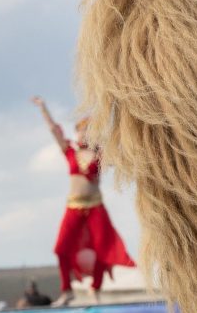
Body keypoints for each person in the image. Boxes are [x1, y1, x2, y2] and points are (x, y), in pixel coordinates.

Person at [33, 95, 134, 300]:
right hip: (74, 206)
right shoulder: (70, 150)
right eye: (81, 130)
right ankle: (67, 290)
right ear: (77, 132)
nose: (84, 133)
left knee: (103, 248)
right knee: (61, 248)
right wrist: (43, 108)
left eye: (88, 130)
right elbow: (54, 130)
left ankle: (95, 288)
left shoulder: (100, 153)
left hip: (95, 206)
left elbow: (120, 151)